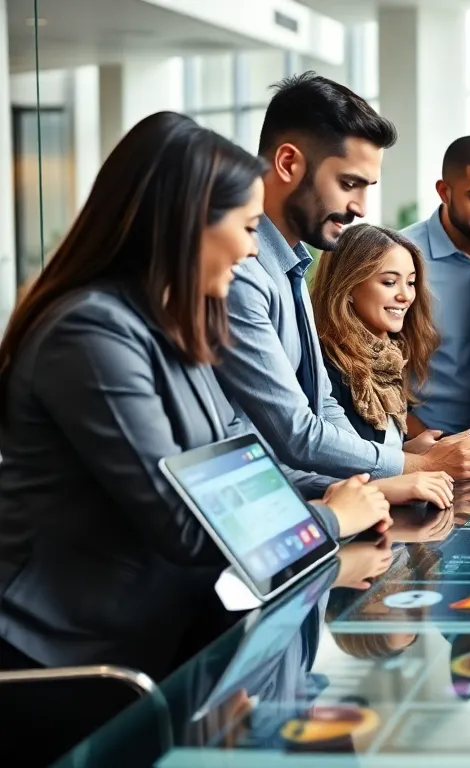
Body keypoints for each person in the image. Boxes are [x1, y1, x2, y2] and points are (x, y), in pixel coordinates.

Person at [0, 113, 392, 760]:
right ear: (185, 225)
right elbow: (187, 525)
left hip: (162, 644)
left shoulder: (179, 328)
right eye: (242, 227)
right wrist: (328, 520)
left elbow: (249, 466)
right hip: (69, 666)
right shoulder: (89, 333)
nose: (248, 251)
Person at [212, 72, 470, 487]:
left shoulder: (291, 268)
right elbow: (297, 434)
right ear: (288, 163)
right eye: (348, 183)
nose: (360, 207)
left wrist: (395, 461)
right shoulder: (243, 274)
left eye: (367, 187)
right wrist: (415, 467)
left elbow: (322, 406)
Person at [310, 224, 453, 509]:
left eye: (410, 282)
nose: (405, 296)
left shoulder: (388, 356)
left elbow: (371, 454)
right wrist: (418, 464)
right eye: (389, 282)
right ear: (348, 287)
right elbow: (335, 466)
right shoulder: (324, 366)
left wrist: (408, 451)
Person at [402, 136, 470, 437]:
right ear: (444, 192)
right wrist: (427, 444)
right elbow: (371, 369)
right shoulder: (401, 257)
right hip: (428, 447)